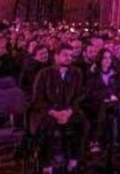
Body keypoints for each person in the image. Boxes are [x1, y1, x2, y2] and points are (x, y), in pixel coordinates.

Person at [31, 43, 85, 173]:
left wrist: (69, 111)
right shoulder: (44, 73)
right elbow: (37, 99)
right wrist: (54, 112)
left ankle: (74, 159)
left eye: (71, 56)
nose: (68, 58)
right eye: (65, 55)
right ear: (56, 56)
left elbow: (79, 96)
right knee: (46, 127)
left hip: (68, 110)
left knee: (83, 123)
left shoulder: (76, 72)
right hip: (47, 111)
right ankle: (47, 165)